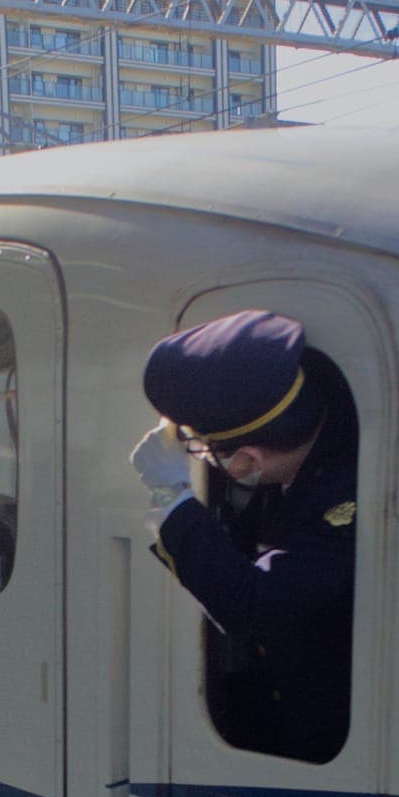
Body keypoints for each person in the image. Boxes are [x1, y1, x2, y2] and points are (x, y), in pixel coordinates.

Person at [130, 309, 358, 764]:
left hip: (323, 728)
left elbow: (254, 608)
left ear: (249, 461)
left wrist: (171, 496)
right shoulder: (309, 455)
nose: (206, 460)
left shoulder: (343, 500)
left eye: (207, 452)